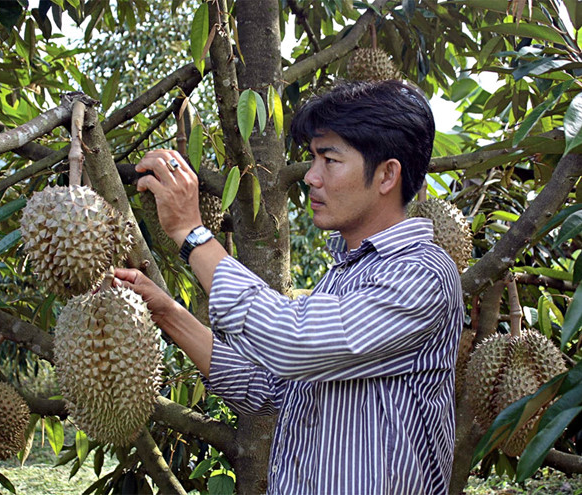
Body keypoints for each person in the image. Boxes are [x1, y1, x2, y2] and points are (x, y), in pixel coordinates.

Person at [115, 80, 464, 494]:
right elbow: (274, 390)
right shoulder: (342, 276)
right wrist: (169, 315)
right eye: (312, 159)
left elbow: (294, 341)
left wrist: (192, 234)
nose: (311, 177)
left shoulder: (422, 273)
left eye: (329, 160)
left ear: (387, 174)